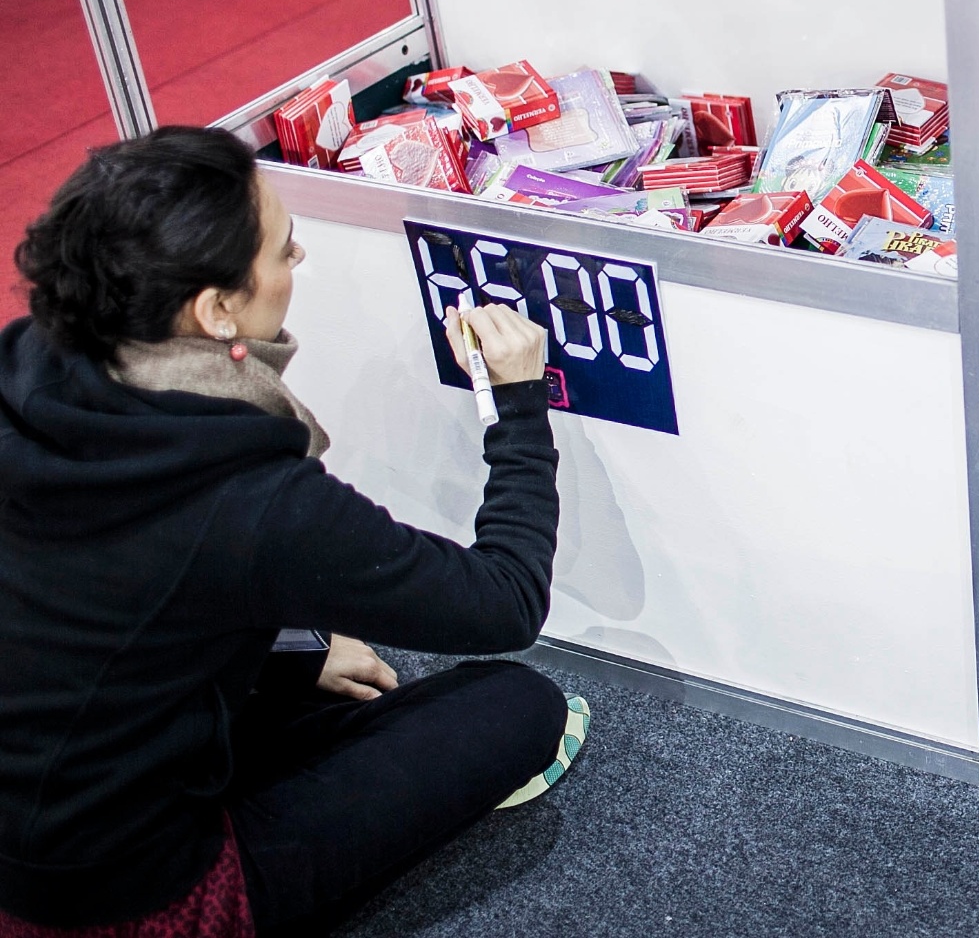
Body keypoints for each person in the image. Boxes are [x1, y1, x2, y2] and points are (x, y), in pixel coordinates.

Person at [0, 127, 586, 936]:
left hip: (38, 811)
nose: (299, 262)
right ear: (216, 310)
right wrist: (518, 404)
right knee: (518, 703)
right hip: (134, 901)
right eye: (284, 250)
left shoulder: (29, 368)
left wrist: (297, 654)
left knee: (307, 663)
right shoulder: (245, 495)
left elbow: (110, 605)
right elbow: (506, 604)